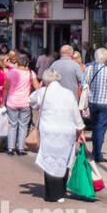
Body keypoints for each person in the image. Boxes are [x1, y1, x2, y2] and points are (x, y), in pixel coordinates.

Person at [29, 68, 84, 202]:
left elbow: (31, 101)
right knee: (63, 161)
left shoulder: (43, 92)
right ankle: (61, 192)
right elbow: (75, 113)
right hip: (67, 131)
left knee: (50, 162)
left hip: (49, 131)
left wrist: (40, 88)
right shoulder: (68, 93)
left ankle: (51, 194)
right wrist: (80, 129)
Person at [82, 47, 107, 165]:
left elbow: (83, 84)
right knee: (101, 127)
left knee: (95, 126)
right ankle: (97, 153)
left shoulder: (89, 69)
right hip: (105, 103)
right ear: (106, 59)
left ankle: (95, 150)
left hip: (92, 102)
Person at [3, 52, 36, 156]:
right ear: (27, 62)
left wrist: (3, 102)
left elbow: (7, 88)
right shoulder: (31, 73)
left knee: (12, 125)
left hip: (12, 101)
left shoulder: (11, 72)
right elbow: (37, 86)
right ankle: (21, 148)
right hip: (25, 102)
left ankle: (11, 148)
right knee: (23, 126)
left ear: (17, 62)